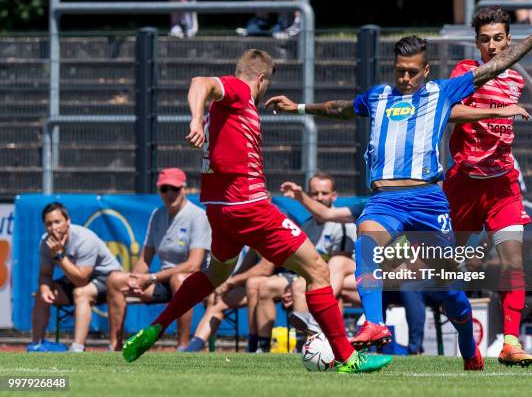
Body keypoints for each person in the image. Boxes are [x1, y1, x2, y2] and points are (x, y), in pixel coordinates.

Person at [267, 10, 532, 370]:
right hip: (385, 200)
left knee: (447, 288)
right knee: (367, 241)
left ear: (425, 71)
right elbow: (341, 108)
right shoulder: (378, 96)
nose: (405, 78)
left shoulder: (442, 92)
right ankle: (375, 323)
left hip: (428, 200)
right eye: (400, 71)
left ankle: (469, 343)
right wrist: (298, 106)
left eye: (413, 72)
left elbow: (498, 63)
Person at [121, 49, 392, 373]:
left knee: (217, 274)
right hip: (248, 207)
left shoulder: (226, 111)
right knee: (317, 271)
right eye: (265, 84)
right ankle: (348, 357)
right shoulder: (238, 92)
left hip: (219, 210)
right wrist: (194, 117)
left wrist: (201, 118)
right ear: (261, 78)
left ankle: (156, 328)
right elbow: (200, 82)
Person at [443, 6, 532, 366]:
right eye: (485, 39)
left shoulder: (517, 80)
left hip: (502, 185)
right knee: (441, 267)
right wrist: (497, 112)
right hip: (464, 185)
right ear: (476, 43)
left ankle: (510, 342)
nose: (492, 45)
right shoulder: (465, 72)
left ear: (509, 40)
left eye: (498, 38)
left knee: (513, 261)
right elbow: (447, 112)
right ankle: (469, 344)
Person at [106, 168, 210, 351]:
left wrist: (152, 278)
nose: (169, 193)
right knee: (115, 280)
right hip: (162, 281)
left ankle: (183, 347)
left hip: (194, 283)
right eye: (164, 189)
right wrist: (136, 279)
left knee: (180, 281)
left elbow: (193, 265)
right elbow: (145, 259)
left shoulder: (198, 217)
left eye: (174, 188)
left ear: (184, 189)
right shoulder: (157, 214)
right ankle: (115, 346)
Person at [28, 202, 122, 352]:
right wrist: (45, 289)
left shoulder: (85, 239)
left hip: (108, 278)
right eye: (49, 224)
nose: (53, 228)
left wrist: (59, 255)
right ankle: (36, 345)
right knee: (40, 293)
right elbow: (45, 274)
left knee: (81, 293)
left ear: (68, 221)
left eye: (57, 222)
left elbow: (82, 280)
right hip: (76, 277)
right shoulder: (46, 242)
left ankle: (77, 349)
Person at [282, 173, 358, 335]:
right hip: (324, 279)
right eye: (315, 193)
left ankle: (314, 331)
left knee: (335, 263)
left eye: (324, 193)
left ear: (334, 195)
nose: (319, 197)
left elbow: (339, 263)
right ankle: (307, 342)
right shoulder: (307, 225)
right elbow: (301, 262)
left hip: (354, 275)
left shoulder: (344, 223)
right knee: (260, 285)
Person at [184, 247, 275, 352]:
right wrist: (226, 285)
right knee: (216, 301)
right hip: (255, 288)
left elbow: (265, 269)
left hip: (279, 284)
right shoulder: (254, 243)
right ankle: (192, 349)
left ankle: (255, 345)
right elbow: (244, 268)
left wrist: (231, 282)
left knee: (252, 284)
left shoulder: (269, 234)